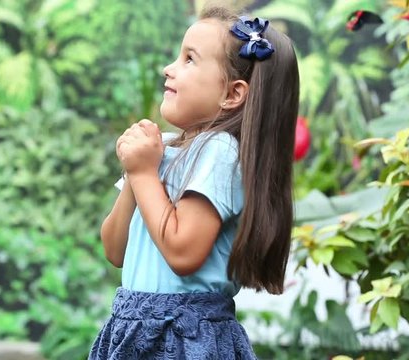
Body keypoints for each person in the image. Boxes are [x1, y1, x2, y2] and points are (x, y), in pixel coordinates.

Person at [89, 5, 300, 359]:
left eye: (189, 59)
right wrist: (136, 173)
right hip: (134, 327)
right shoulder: (165, 150)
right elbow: (115, 250)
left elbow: (183, 251)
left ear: (232, 94)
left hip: (183, 338)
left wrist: (143, 173)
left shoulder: (219, 151)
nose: (168, 69)